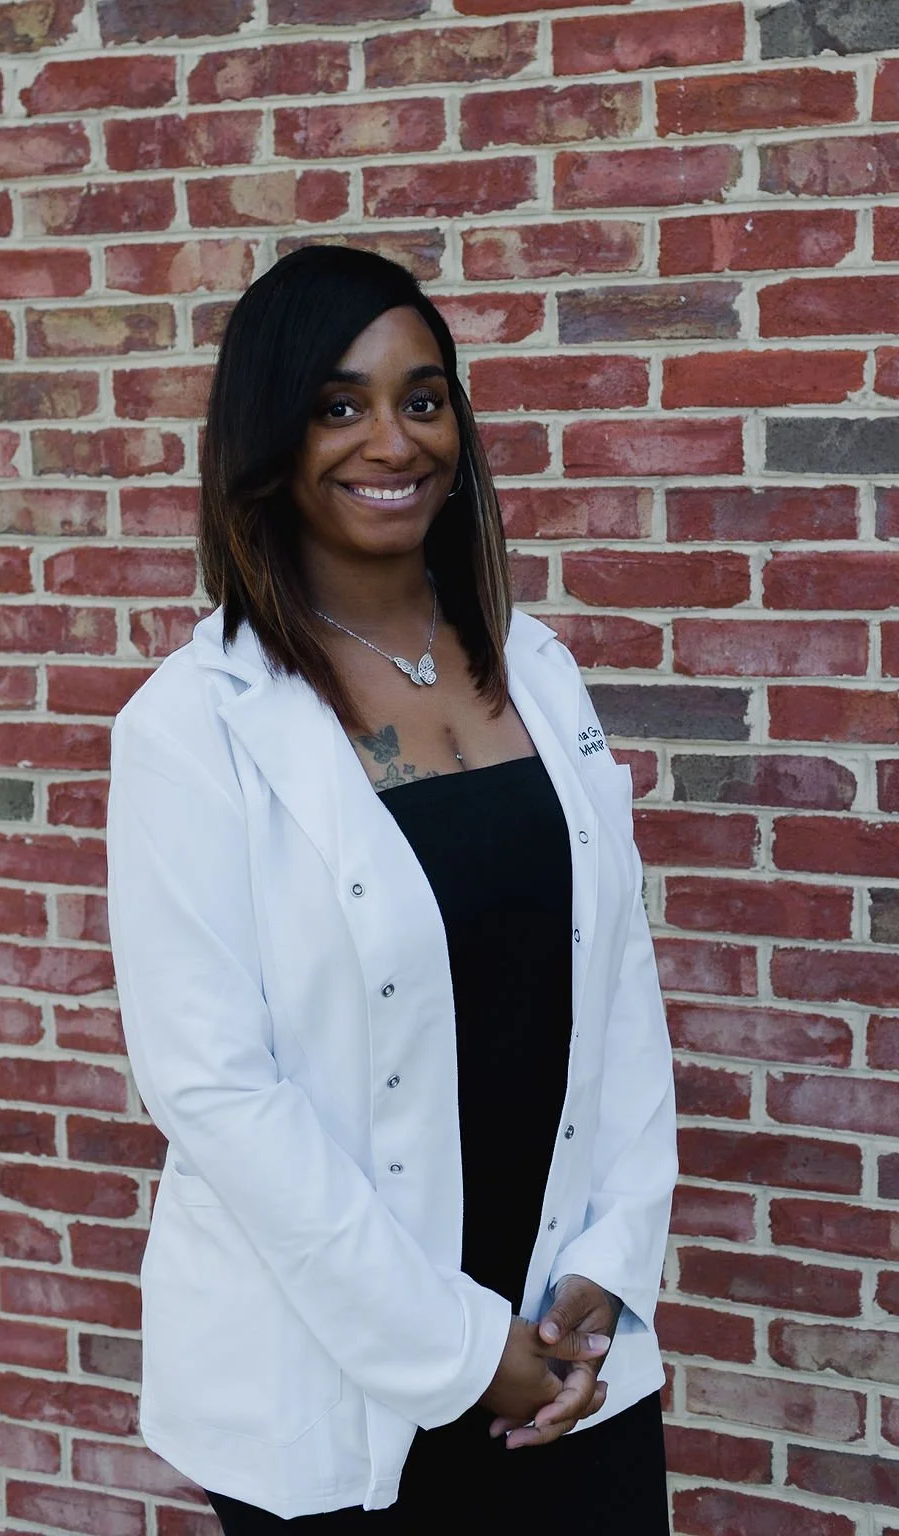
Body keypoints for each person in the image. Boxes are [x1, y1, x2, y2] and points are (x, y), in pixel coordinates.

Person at [106, 245, 677, 1532]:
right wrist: (465, 1349)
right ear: (269, 436)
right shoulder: (190, 730)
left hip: (570, 1355)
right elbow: (214, 1090)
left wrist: (607, 1259)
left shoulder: (537, 670)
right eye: (336, 404)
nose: (391, 439)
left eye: (423, 399)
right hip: (338, 1377)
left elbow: (616, 983)